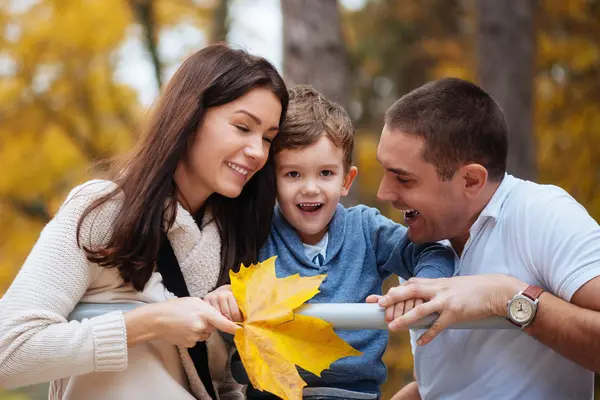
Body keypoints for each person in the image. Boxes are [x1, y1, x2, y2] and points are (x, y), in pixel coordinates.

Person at [0, 43, 289, 400]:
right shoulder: (102, 211)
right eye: (243, 127)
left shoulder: (239, 236)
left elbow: (224, 385)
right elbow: (6, 352)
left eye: (268, 139)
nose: (257, 152)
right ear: (190, 116)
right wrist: (150, 324)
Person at [204, 85, 455, 399]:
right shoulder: (256, 232)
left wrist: (424, 285)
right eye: (293, 174)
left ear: (346, 180)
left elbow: (433, 251)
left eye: (325, 173)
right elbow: (223, 285)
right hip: (272, 391)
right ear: (272, 180)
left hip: (352, 393)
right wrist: (225, 294)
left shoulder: (365, 228)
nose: (310, 188)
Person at [367, 77, 600, 399]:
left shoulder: (541, 213)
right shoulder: (427, 241)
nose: (383, 192)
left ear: (472, 180)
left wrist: (505, 297)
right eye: (385, 171)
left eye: (403, 179)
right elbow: (456, 381)